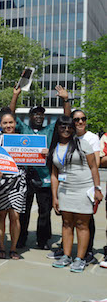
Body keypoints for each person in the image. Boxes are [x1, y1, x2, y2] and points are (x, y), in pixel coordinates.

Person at [9, 85, 71, 250]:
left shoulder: (50, 129)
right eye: (35, 113)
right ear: (30, 116)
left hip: (45, 178)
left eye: (41, 114)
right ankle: (21, 239)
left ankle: (42, 240)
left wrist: (66, 99)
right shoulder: (24, 129)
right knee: (24, 211)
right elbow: (10, 115)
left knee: (45, 212)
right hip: (26, 178)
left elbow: (66, 118)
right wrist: (15, 95)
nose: (38, 116)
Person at [49, 115, 102, 272]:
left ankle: (80, 258)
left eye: (69, 127)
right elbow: (54, 174)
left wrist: (97, 188)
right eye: (62, 127)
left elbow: (93, 167)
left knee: (82, 224)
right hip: (65, 190)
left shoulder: (82, 143)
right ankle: (66, 255)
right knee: (66, 224)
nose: (66, 130)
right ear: (57, 129)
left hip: (83, 189)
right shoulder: (55, 147)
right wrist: (54, 196)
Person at [0, 112, 31, 260]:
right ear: (1, 125)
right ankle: (1, 246)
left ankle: (13, 248)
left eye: (11, 123)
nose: (8, 126)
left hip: (18, 182)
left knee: (15, 216)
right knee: (1, 215)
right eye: (5, 123)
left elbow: (34, 155)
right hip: (0, 182)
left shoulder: (22, 140)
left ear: (15, 124)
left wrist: (42, 153)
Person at [72, 109, 101, 264]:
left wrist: (97, 187)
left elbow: (95, 163)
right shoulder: (70, 137)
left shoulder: (92, 138)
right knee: (70, 219)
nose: (80, 122)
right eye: (76, 120)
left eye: (83, 119)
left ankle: (88, 251)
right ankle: (68, 249)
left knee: (87, 220)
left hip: (87, 184)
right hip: (71, 184)